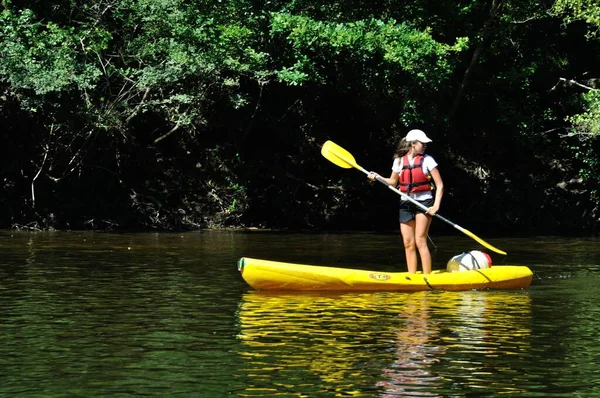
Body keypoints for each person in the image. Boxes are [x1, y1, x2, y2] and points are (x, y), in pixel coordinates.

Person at [368, 129, 444, 274]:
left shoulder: (428, 160)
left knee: (420, 240)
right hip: (406, 203)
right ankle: (412, 276)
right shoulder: (399, 160)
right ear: (412, 144)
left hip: (424, 203)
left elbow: (440, 185)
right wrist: (378, 177)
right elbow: (392, 182)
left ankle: (427, 277)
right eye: (422, 143)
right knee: (408, 243)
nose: (425, 145)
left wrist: (436, 206)